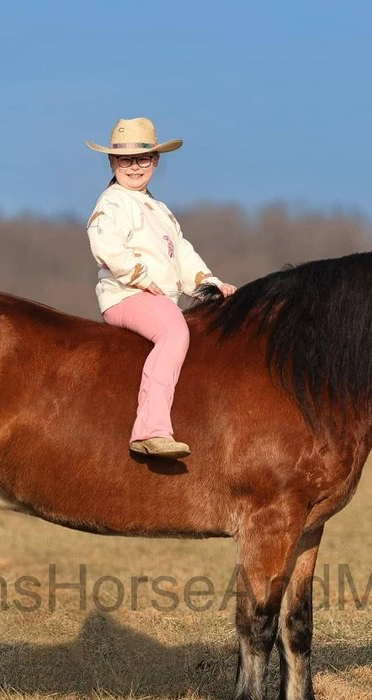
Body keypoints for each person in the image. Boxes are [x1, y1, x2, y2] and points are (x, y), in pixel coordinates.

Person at [86, 117, 237, 459]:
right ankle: (150, 430)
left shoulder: (162, 212)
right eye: (125, 160)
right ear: (112, 162)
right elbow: (104, 244)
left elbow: (182, 256)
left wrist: (209, 284)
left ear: (155, 161)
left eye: (142, 159)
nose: (134, 168)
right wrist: (138, 275)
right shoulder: (112, 203)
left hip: (158, 298)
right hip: (127, 295)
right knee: (174, 333)